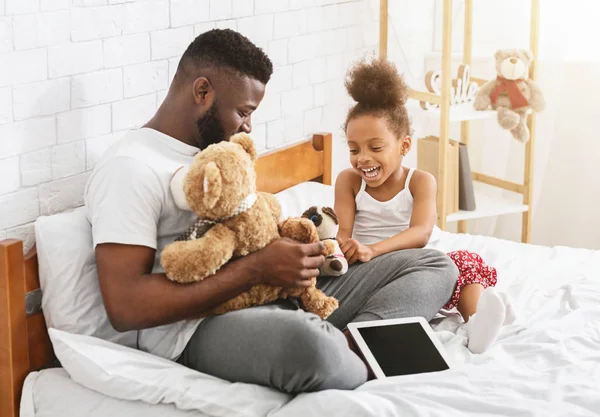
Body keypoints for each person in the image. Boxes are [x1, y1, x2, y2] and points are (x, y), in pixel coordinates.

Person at [85, 29, 459, 394]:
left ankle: (350, 344)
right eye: (243, 112)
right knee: (310, 347)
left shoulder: (216, 149)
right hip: (198, 326)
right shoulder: (131, 167)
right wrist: (258, 268)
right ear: (202, 92)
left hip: (272, 290)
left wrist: (289, 250)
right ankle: (342, 348)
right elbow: (126, 306)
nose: (248, 126)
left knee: (436, 266)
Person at [334, 57, 516, 354]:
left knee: (466, 263)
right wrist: (346, 248)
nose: (362, 158)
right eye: (354, 149)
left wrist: (374, 250)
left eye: (375, 148)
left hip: (411, 271)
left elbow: (420, 233)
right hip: (366, 273)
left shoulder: (420, 182)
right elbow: (343, 230)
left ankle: (476, 323)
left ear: (404, 146)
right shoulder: (349, 181)